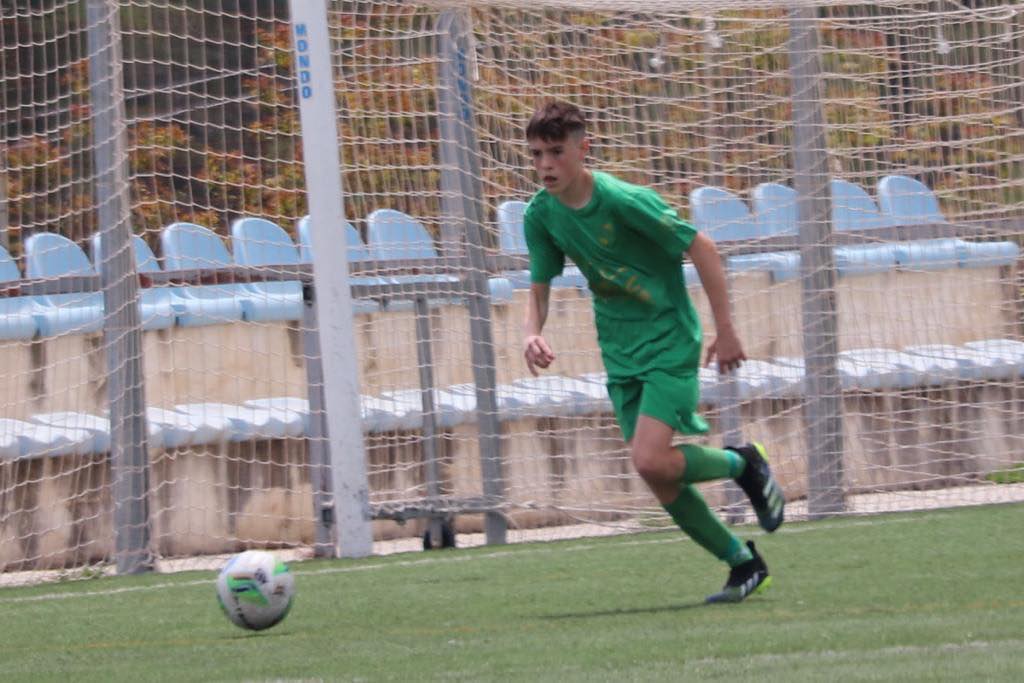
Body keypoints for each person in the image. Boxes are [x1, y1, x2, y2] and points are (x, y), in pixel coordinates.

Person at [521, 100, 785, 603]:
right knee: (658, 474)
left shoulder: (624, 200)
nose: (545, 165)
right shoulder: (541, 215)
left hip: (667, 337)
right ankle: (743, 563)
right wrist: (531, 332)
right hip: (620, 350)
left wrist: (725, 329)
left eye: (555, 152)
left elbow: (702, 246)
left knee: (648, 459)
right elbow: (539, 286)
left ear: (584, 148)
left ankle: (743, 464)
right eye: (536, 155)